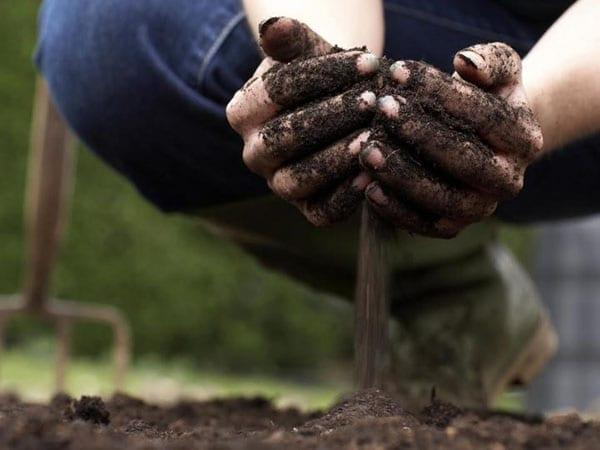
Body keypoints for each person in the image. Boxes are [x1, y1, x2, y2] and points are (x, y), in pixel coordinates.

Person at [35, 0, 600, 409]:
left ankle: (446, 283)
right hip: (428, 24)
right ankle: (452, 294)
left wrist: (527, 110)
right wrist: (319, 69)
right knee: (106, 25)